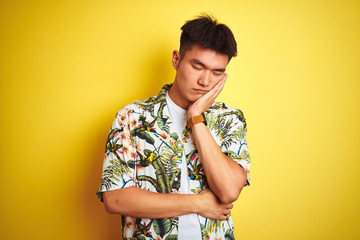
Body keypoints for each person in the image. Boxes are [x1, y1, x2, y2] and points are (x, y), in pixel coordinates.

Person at [97, 14, 251, 240]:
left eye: (217, 72)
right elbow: (115, 198)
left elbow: (228, 191)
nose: (205, 81)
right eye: (197, 66)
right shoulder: (132, 117)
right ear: (177, 59)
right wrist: (198, 203)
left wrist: (196, 117)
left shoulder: (229, 119)